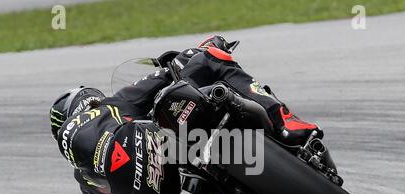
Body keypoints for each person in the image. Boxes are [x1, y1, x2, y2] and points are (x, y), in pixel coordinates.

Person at [50, 86, 247, 194]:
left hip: (166, 177)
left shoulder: (86, 183)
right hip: (185, 142)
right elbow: (163, 76)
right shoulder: (118, 103)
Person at [116, 35, 322, 147]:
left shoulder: (172, 68)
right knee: (209, 56)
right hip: (172, 135)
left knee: (208, 57)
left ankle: (282, 119)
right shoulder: (117, 115)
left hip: (187, 109)